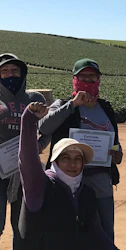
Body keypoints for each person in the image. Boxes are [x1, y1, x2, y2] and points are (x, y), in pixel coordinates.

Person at [39, 58, 122, 241]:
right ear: (75, 79)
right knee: (67, 230)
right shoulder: (62, 105)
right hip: (67, 180)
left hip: (100, 179)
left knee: (105, 231)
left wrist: (118, 153)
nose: (89, 80)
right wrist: (73, 104)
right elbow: (44, 128)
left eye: (93, 76)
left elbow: (114, 140)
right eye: (83, 76)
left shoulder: (106, 108)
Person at [18, 102, 117, 250]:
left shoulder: (86, 193)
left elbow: (96, 233)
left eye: (78, 159)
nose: (72, 164)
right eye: (65, 158)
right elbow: (28, 159)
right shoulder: (40, 186)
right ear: (55, 161)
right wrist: (29, 121)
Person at [0, 53, 48, 249]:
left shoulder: (35, 98)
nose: (10, 74)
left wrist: (38, 146)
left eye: (15, 70)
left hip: (25, 172)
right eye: (4, 71)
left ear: (23, 73)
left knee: (23, 227)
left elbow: (47, 129)